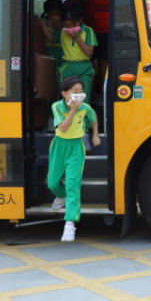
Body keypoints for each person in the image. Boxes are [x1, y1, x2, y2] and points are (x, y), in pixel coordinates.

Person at [49, 76, 101, 242]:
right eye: (74, 92)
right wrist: (73, 110)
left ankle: (70, 223)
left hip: (76, 148)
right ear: (64, 93)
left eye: (81, 92)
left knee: (73, 185)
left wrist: (95, 135)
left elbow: (93, 117)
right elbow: (63, 129)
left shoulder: (84, 107)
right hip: (59, 146)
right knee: (52, 183)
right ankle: (61, 195)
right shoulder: (56, 106)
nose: (78, 95)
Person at [65, 0, 110, 100]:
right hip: (89, 24)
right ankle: (90, 94)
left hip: (106, 27)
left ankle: (103, 96)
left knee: (103, 61)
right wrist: (63, 9)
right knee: (89, 58)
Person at [52, 4, 96, 104]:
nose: (70, 28)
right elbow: (53, 40)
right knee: (67, 98)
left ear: (80, 20)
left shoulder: (88, 31)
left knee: (84, 98)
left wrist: (77, 37)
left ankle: (83, 119)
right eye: (67, 26)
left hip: (85, 68)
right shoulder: (61, 31)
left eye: (74, 25)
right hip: (67, 67)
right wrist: (42, 25)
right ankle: (65, 119)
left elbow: (89, 52)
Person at [41, 0, 65, 65]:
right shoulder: (42, 23)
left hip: (64, 51)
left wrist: (60, 26)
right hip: (49, 51)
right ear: (47, 13)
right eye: (52, 15)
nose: (55, 17)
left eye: (58, 15)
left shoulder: (66, 23)